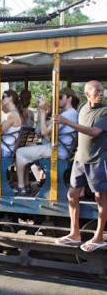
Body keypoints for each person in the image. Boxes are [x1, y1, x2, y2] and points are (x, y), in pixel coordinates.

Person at [54, 81, 107, 252]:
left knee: (101, 198)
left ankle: (98, 238)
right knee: (72, 195)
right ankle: (74, 234)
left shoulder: (105, 111)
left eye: (102, 90)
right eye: (97, 90)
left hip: (98, 160)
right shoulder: (83, 107)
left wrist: (65, 122)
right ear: (87, 94)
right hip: (80, 159)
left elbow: (93, 132)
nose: (101, 93)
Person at [14, 88, 79, 196]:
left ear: (69, 98)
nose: (57, 100)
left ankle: (22, 187)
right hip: (61, 149)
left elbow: (44, 132)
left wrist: (43, 112)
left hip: (57, 150)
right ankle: (26, 184)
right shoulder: (71, 113)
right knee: (29, 147)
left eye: (60, 97)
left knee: (20, 152)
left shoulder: (67, 115)